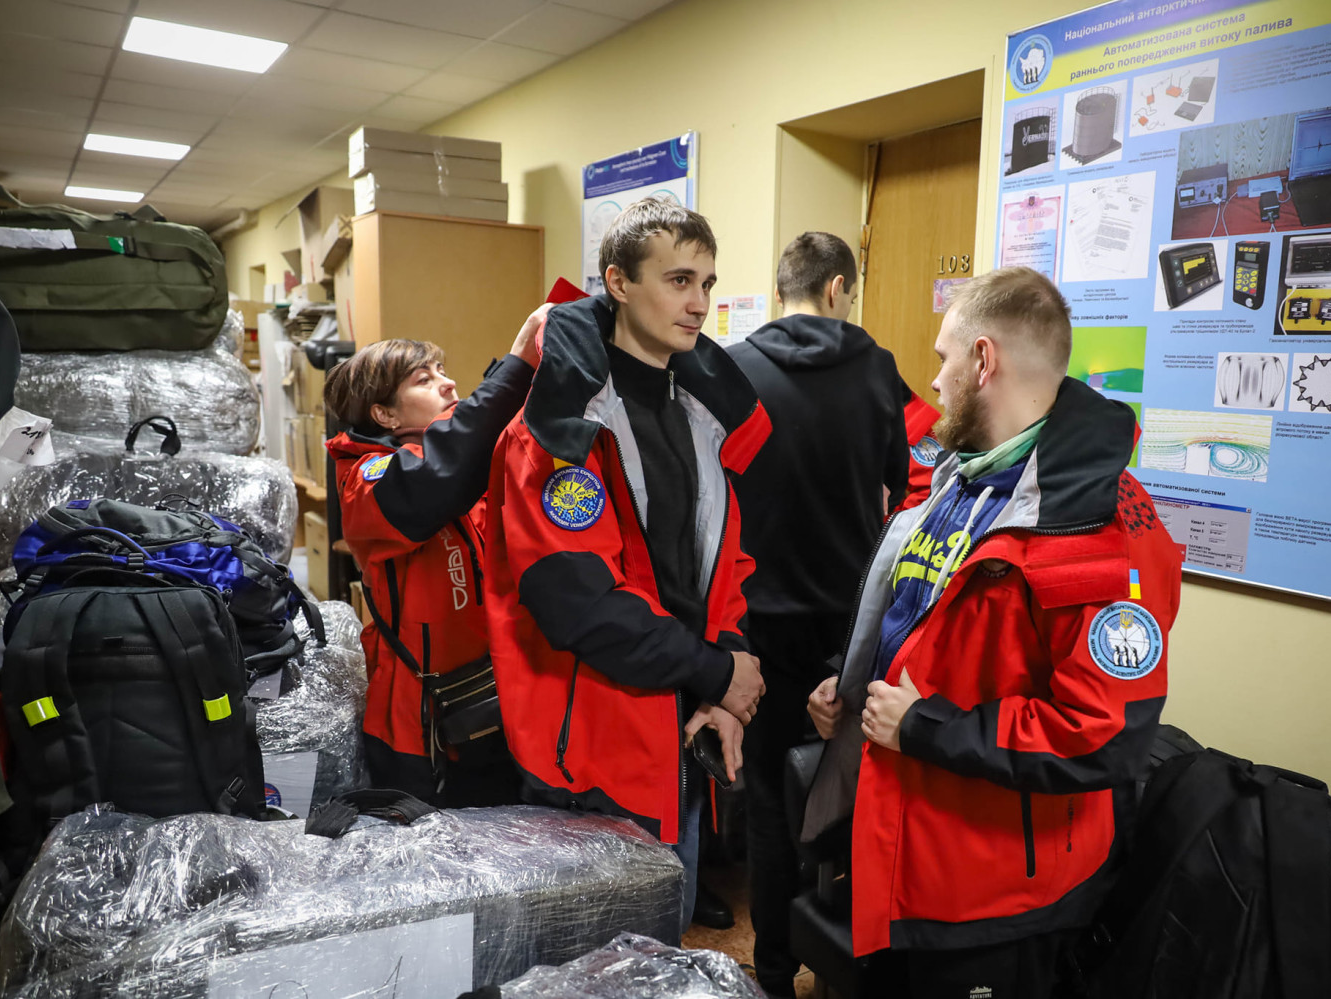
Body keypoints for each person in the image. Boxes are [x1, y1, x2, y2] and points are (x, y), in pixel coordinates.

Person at [803, 267, 1183, 999]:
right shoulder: (966, 480)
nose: (933, 381)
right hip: (908, 848)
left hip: (995, 890)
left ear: (983, 360)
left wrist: (922, 726)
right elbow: (925, 619)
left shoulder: (1098, 528)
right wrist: (851, 686)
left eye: (942, 357)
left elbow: (1099, 734)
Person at [483, 197, 770, 931]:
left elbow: (725, 564)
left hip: (684, 735)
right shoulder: (558, 431)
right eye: (679, 281)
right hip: (592, 756)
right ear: (617, 281)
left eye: (707, 283)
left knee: (664, 951)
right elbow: (581, 604)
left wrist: (726, 669)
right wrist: (718, 673)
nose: (699, 303)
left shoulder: (701, 416)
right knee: (597, 968)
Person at [726, 231, 907, 998]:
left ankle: (772, 973)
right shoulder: (878, 368)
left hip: (759, 623)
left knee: (770, 800)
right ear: (838, 288)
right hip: (849, 626)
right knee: (852, 792)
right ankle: (840, 961)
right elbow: (899, 490)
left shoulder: (733, 368)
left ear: (784, 289)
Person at [323, 307, 545, 807]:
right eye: (424, 380)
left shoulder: (464, 466)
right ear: (385, 415)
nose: (448, 383)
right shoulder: (367, 481)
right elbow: (434, 479)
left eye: (443, 371)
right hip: (420, 727)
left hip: (493, 698)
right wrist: (515, 366)